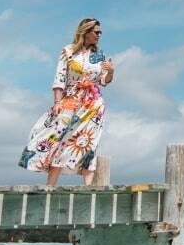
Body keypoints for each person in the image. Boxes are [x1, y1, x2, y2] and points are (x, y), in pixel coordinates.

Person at [19, 17, 114, 185]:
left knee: (89, 143)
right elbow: (59, 78)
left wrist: (111, 71)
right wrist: (57, 103)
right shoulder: (68, 51)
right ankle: (50, 186)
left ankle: (89, 188)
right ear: (86, 31)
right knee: (61, 139)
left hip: (93, 103)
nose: (99, 35)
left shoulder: (99, 55)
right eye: (96, 32)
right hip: (70, 100)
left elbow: (103, 81)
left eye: (100, 32)